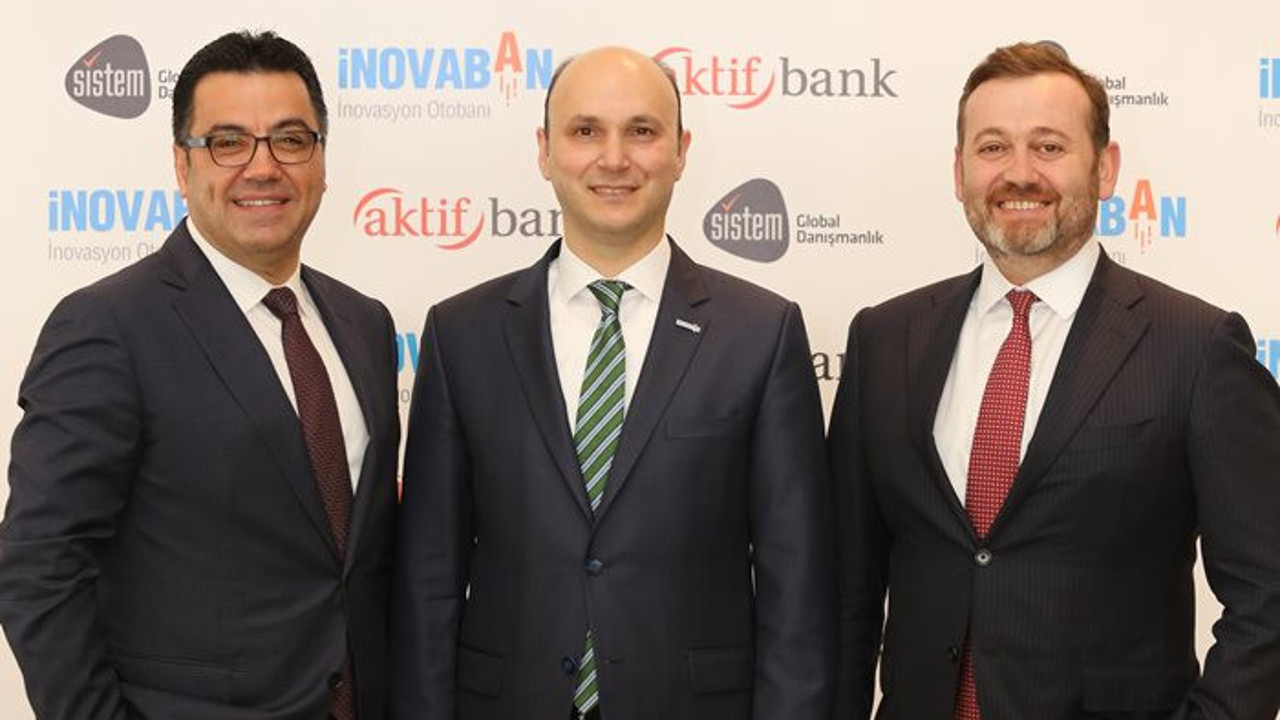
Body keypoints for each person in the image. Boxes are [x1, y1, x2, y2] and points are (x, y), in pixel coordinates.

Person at [829, 40, 1280, 720]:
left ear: (1105, 167)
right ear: (958, 171)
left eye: (1048, 146)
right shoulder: (884, 340)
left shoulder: (1196, 347)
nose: (1019, 173)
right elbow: (845, 594)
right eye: (992, 148)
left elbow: (1267, 593)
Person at [390, 46, 833, 720]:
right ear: (545, 151)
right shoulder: (461, 335)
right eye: (585, 131)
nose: (615, 158)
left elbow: (795, 581)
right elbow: (429, 578)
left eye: (642, 131)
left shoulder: (761, 334)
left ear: (681, 151)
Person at [0, 30, 399, 720]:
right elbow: (40, 566)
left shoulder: (364, 323)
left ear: (322, 160)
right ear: (181, 166)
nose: (262, 167)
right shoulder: (109, 325)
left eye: (290, 140)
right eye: (227, 142)